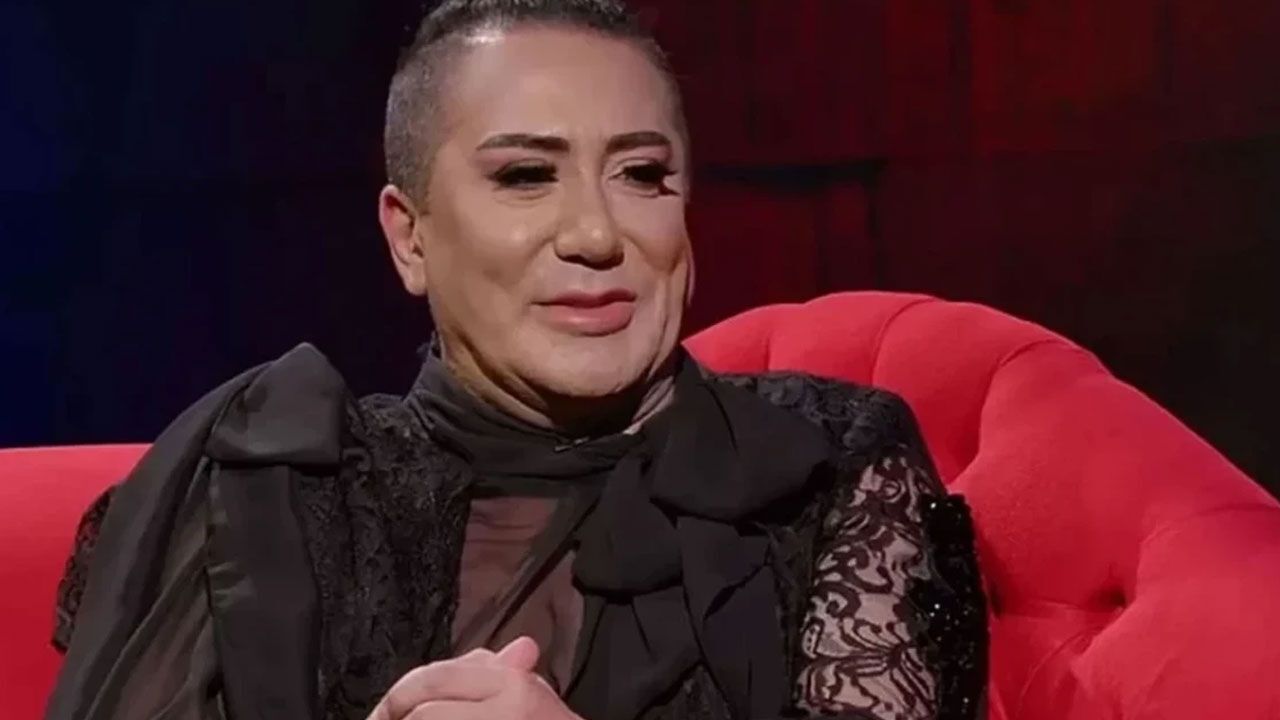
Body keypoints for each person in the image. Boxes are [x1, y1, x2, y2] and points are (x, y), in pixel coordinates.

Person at [46, 1, 987, 719]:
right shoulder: (266, 485)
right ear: (409, 237)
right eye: (526, 176)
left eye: (642, 174)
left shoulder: (827, 470)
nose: (597, 234)